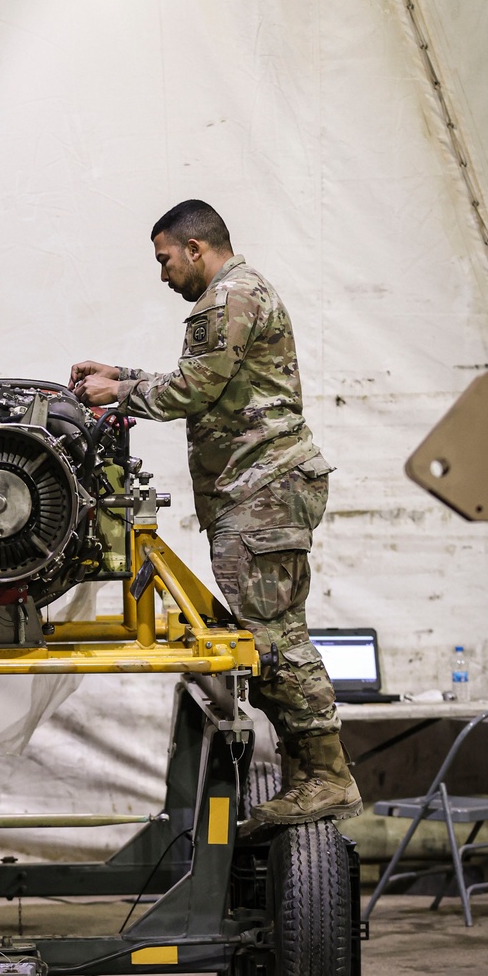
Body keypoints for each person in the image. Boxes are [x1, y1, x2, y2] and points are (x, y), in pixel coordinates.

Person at [69, 198, 361, 827]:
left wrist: (118, 392)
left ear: (195, 249)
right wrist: (121, 373)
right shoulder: (240, 294)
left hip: (262, 489)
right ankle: (311, 773)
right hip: (260, 488)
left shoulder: (227, 298)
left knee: (275, 639)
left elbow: (191, 389)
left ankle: (327, 778)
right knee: (272, 635)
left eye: (166, 259)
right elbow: (209, 380)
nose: (163, 273)